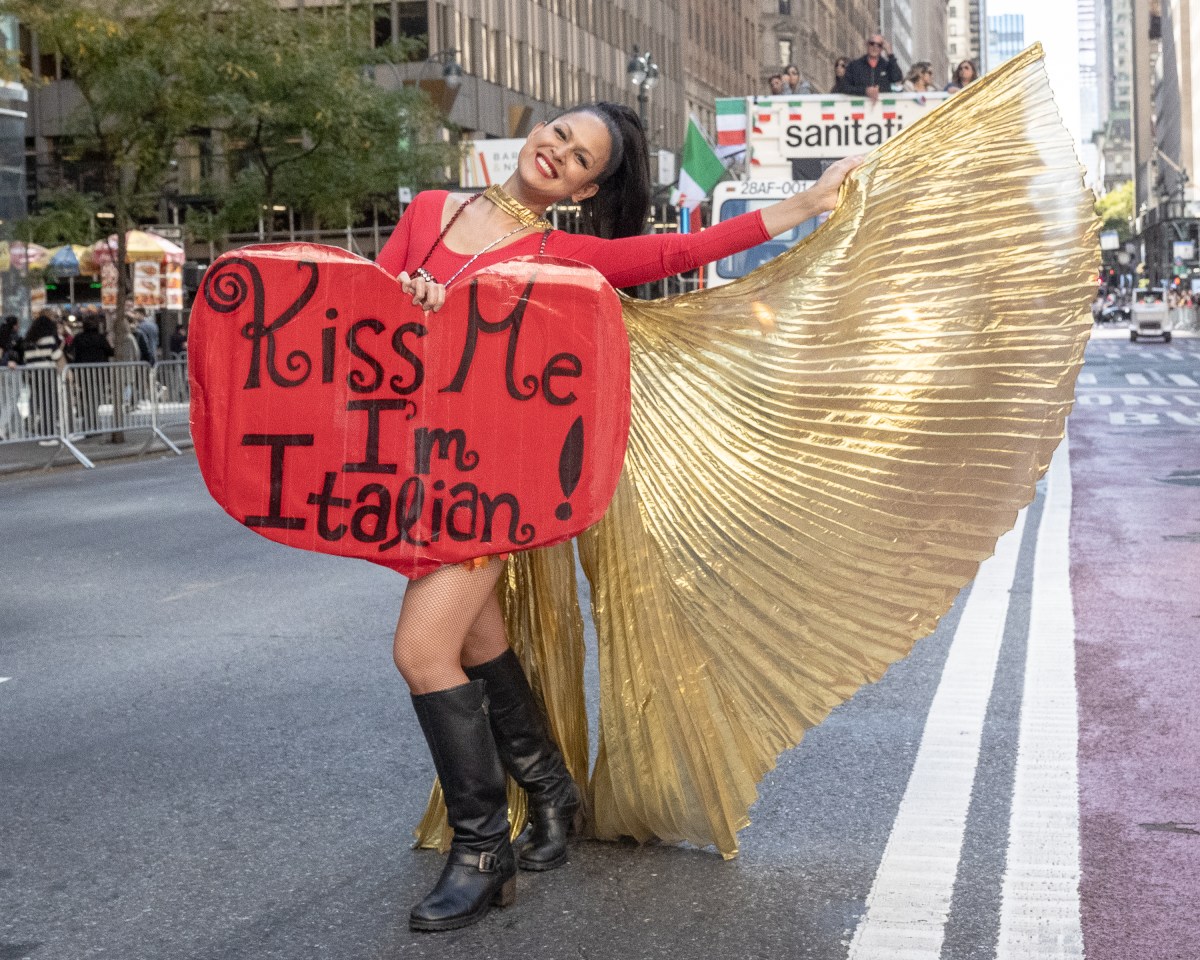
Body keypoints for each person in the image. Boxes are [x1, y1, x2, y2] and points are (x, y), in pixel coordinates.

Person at [374, 101, 861, 933]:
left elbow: (680, 249)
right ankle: (553, 795)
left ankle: (483, 852)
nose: (558, 151)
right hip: (416, 471)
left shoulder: (564, 254)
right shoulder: (428, 210)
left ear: (590, 185)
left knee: (420, 652)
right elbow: (362, 313)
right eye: (557, 134)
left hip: (492, 480)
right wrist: (400, 299)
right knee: (477, 641)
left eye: (582, 155)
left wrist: (806, 206)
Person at [843, 33, 903, 101]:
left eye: (879, 45)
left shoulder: (887, 66)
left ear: (882, 48)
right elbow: (845, 87)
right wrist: (865, 91)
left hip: (882, 108)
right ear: (867, 44)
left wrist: (890, 55)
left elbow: (897, 78)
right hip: (859, 108)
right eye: (872, 43)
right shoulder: (854, 65)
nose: (875, 47)